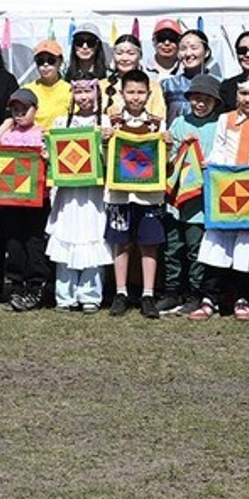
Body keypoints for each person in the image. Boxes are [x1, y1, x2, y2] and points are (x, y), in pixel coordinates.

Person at [190, 74, 249, 321]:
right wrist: (211, 166)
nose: (247, 99)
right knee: (217, 246)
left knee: (244, 247)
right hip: (226, 192)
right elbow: (218, 151)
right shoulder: (225, 120)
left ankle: (243, 297)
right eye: (243, 93)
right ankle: (209, 298)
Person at [102, 68, 165, 319]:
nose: (135, 97)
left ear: (149, 94)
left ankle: (148, 294)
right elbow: (103, 158)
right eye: (131, 92)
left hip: (149, 194)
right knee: (121, 241)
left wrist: (167, 142)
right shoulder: (112, 121)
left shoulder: (157, 123)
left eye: (140, 92)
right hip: (119, 193)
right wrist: (105, 142)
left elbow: (164, 157)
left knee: (149, 243)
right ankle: (121, 292)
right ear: (121, 93)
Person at [158, 74, 222, 316]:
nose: (201, 103)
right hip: (176, 199)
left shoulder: (220, 125)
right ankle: (172, 291)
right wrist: (171, 146)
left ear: (216, 102)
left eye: (207, 99)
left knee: (196, 248)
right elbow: (167, 157)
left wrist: (210, 164)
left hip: (202, 201)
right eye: (196, 98)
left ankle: (196, 293)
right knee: (172, 247)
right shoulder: (179, 124)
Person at [45, 78, 111, 313]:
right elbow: (52, 153)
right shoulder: (62, 123)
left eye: (88, 92)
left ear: (97, 93)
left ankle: (91, 294)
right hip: (68, 193)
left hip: (94, 193)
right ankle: (64, 295)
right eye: (78, 92)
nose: (83, 97)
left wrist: (106, 141)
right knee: (66, 236)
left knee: (93, 235)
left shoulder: (106, 123)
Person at [0, 88, 51, 312]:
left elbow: (53, 161)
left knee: (34, 242)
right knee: (14, 242)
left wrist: (47, 157)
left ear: (35, 110)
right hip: (11, 200)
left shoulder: (43, 134)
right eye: (15, 109)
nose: (19, 113)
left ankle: (36, 287)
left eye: (24, 109)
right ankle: (16, 285)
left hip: (37, 199)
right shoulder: (8, 135)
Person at [104, 34, 167, 122]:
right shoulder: (101, 85)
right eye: (119, 53)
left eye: (131, 53)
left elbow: (159, 118)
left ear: (140, 56)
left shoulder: (153, 86)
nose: (124, 58)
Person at [161, 29, 212, 125]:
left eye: (194, 48)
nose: (188, 53)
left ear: (206, 52)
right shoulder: (167, 85)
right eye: (183, 48)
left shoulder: (218, 84)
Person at [16, 41, 72, 127]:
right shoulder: (27, 90)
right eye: (40, 61)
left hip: (61, 137)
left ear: (60, 61)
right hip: (34, 138)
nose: (45, 65)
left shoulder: (69, 90)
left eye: (51, 60)